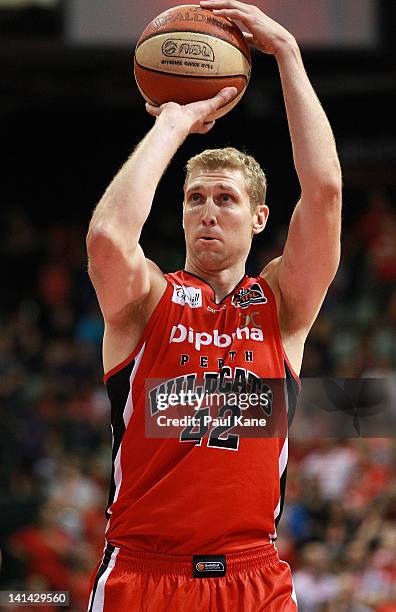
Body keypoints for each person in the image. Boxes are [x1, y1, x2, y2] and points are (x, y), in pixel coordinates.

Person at [85, 1, 342, 610]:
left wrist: (288, 55)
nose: (206, 210)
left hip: (253, 575)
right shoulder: (147, 300)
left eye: (225, 198)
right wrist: (173, 124)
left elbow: (326, 191)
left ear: (258, 219)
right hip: (143, 574)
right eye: (195, 197)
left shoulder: (281, 305)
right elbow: (105, 240)